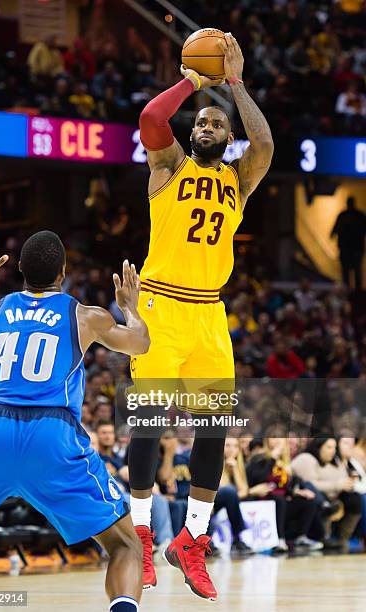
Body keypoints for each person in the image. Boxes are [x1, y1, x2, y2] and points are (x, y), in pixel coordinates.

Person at [128, 33, 273, 600]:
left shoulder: (238, 181)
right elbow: (148, 115)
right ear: (192, 135)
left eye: (216, 124)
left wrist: (234, 84)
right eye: (201, 123)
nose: (206, 127)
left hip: (210, 315)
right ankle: (142, 533)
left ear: (227, 137)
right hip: (161, 305)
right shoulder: (168, 167)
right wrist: (194, 81)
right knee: (148, 422)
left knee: (213, 429)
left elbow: (264, 144)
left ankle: (191, 539)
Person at [0, 232, 150, 612]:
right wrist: (131, 307)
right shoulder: (84, 315)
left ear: (21, 270)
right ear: (63, 273)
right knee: (126, 546)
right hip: (52, 436)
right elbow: (139, 344)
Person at [330, 196, 366, 291]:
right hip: (347, 248)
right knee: (347, 271)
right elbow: (334, 230)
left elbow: (334, 230)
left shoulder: (358, 216)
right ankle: (348, 290)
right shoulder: (345, 216)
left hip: (355, 248)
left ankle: (357, 291)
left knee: (356, 270)